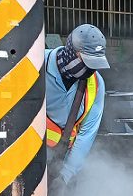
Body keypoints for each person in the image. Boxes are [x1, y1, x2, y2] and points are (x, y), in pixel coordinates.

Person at [45, 23, 109, 185]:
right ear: (71, 52)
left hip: (61, 164)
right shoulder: (37, 64)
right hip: (27, 159)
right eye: (86, 61)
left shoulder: (96, 84)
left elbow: (86, 134)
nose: (90, 69)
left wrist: (65, 175)